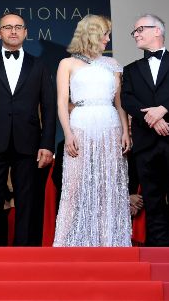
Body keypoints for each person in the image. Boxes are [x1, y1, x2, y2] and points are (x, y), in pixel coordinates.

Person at [0, 11, 56, 246]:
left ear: (26, 32)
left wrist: (47, 144)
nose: (14, 31)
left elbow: (49, 108)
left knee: (28, 199)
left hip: (29, 142)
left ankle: (26, 254)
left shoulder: (39, 66)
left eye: (18, 26)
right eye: (8, 27)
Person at [52, 14, 131, 246]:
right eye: (105, 34)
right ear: (92, 34)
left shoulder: (113, 64)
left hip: (110, 126)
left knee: (109, 184)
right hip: (81, 125)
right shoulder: (66, 64)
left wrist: (125, 131)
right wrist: (67, 134)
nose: (108, 39)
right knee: (74, 185)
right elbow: (60, 102)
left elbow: (119, 102)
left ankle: (110, 240)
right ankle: (67, 243)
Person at [121, 14, 169, 246]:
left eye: (140, 29)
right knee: (152, 199)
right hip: (146, 142)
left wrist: (163, 110)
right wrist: (152, 118)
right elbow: (127, 99)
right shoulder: (131, 69)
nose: (136, 34)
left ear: (157, 31)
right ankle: (158, 250)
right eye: (134, 31)